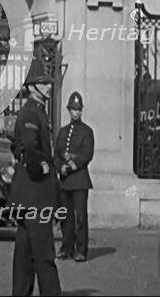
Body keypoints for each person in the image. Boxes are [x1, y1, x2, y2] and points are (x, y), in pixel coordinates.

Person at [8, 62, 62, 296]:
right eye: (42, 83)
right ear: (31, 87)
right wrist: (40, 166)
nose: (48, 87)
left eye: (48, 83)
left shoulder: (35, 110)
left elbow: (17, 145)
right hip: (36, 192)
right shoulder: (32, 112)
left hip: (26, 194)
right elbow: (29, 146)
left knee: (25, 249)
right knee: (43, 252)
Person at [54, 91, 95, 263]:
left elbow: (87, 154)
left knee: (80, 218)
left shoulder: (87, 131)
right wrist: (60, 167)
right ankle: (66, 248)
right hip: (65, 181)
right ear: (68, 110)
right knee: (65, 217)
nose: (76, 113)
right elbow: (56, 154)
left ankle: (81, 250)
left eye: (78, 110)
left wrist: (73, 164)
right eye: (73, 109)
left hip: (79, 180)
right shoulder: (63, 132)